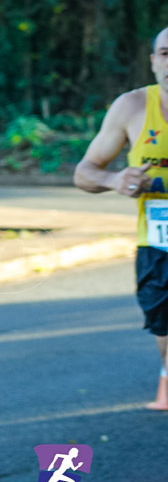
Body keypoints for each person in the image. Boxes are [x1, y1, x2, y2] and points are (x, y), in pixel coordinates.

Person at [74, 26, 168, 411]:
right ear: (153, 62)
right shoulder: (131, 108)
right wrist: (115, 179)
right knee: (164, 329)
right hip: (159, 242)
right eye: (165, 53)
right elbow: (85, 172)